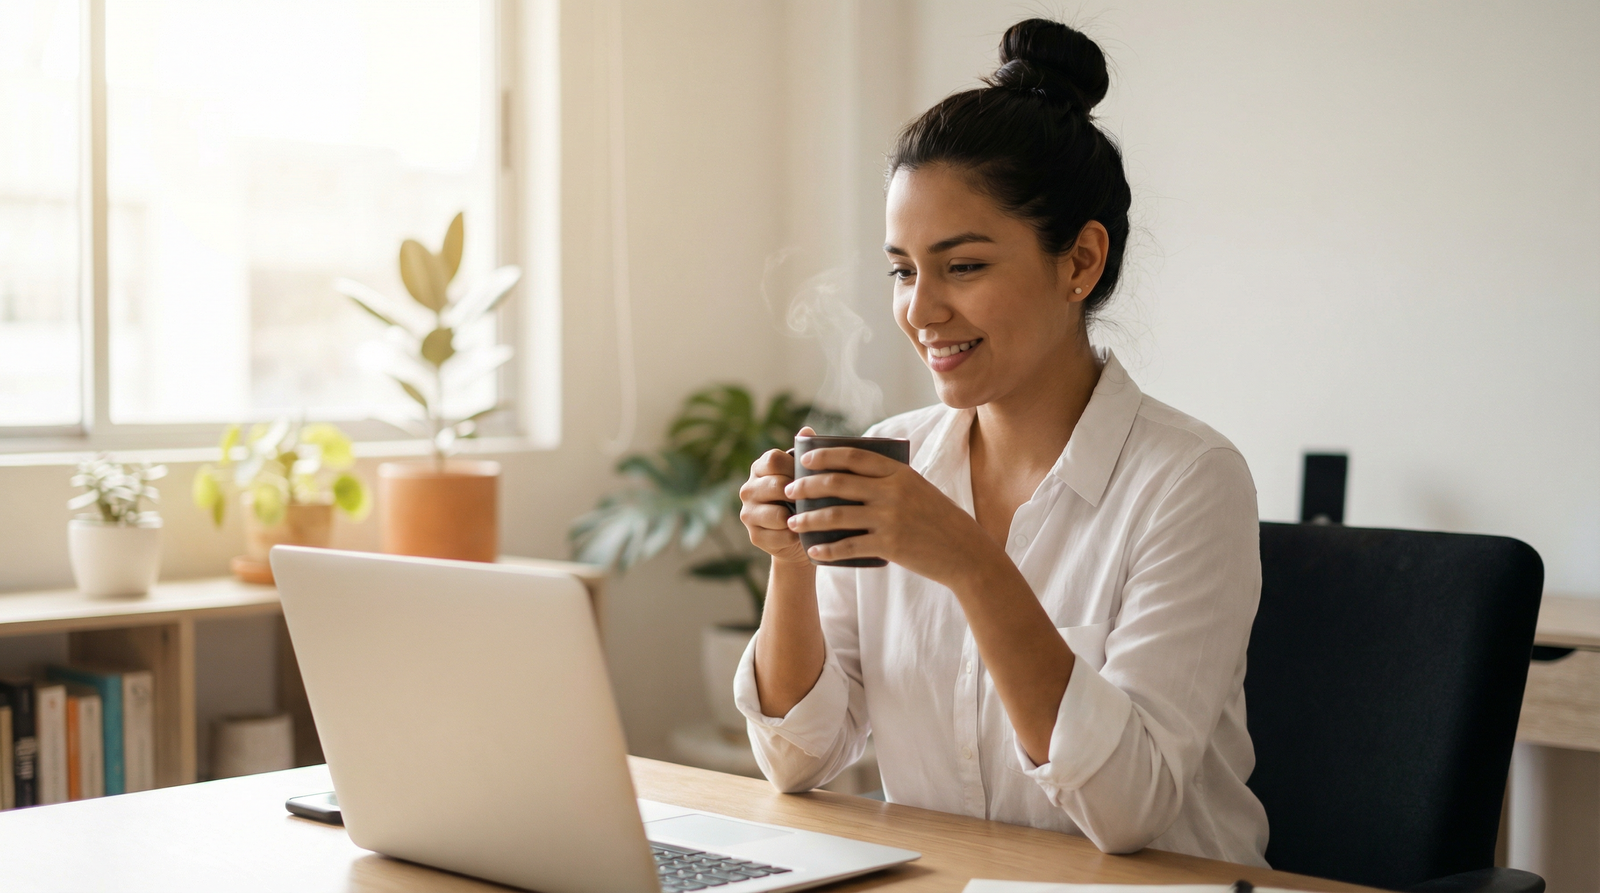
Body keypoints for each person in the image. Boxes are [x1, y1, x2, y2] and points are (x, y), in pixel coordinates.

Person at [733, 18, 1270, 865]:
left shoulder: (1190, 481)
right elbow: (798, 758)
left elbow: (1128, 809)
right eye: (903, 270)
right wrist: (791, 563)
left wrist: (972, 562)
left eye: (964, 266)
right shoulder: (895, 456)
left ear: (1080, 262)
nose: (920, 310)